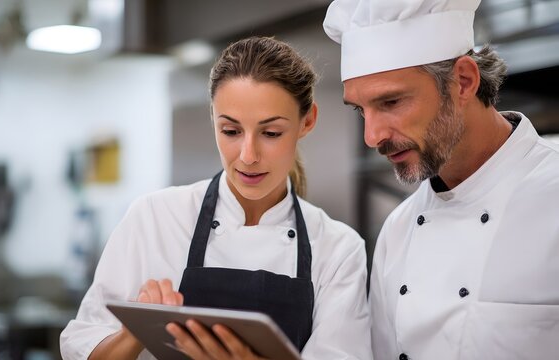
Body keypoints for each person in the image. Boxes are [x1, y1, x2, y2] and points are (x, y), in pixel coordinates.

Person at [60, 36, 373, 360]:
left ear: (306, 121)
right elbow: (81, 348)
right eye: (231, 131)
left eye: (271, 133)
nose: (248, 155)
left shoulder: (338, 249)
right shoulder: (153, 217)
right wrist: (134, 330)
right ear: (213, 118)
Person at [323, 0, 559, 359]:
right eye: (361, 110)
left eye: (390, 102)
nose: (372, 136)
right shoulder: (397, 231)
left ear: (463, 81)